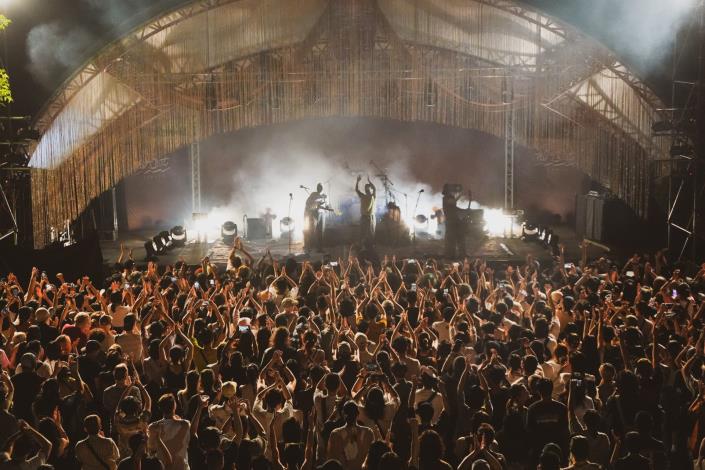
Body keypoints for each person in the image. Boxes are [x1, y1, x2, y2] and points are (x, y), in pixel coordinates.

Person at [327, 400, 374, 470]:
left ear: (343, 414)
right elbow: (371, 459)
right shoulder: (368, 432)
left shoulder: (335, 433)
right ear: (358, 414)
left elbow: (331, 459)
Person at [442, 185, 469, 258]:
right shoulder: (446, 198)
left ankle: (462, 254)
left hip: (455, 221)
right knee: (451, 239)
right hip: (450, 221)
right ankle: (450, 255)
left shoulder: (450, 198)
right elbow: (452, 202)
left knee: (460, 237)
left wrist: (464, 210)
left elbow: (454, 207)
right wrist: (459, 195)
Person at [304, 183, 328, 252]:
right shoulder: (313, 194)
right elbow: (308, 203)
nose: (320, 189)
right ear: (318, 188)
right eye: (319, 187)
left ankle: (319, 248)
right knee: (312, 231)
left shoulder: (322, 196)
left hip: (320, 214)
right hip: (314, 214)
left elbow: (323, 205)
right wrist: (317, 203)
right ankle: (309, 248)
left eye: (321, 187)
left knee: (320, 232)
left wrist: (324, 205)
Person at [355, 175, 377, 246]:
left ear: (370, 189)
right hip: (364, 217)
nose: (366, 189)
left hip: (370, 217)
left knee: (371, 233)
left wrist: (369, 182)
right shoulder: (363, 196)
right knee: (362, 232)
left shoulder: (372, 196)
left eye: (367, 188)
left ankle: (371, 246)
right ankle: (362, 246)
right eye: (365, 188)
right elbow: (357, 190)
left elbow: (374, 189)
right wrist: (357, 181)